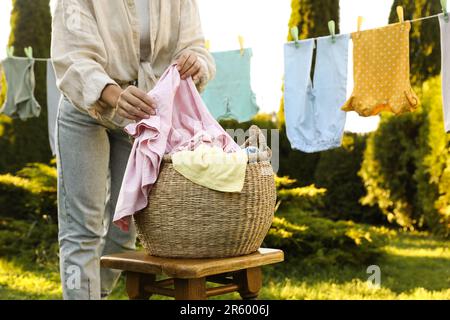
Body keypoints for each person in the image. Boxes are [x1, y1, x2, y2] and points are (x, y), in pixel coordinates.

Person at [50, 0, 215, 300]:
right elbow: (72, 57)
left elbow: (196, 48)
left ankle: (92, 294)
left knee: (125, 230)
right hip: (85, 108)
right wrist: (113, 94)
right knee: (82, 227)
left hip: (143, 113)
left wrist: (195, 61)